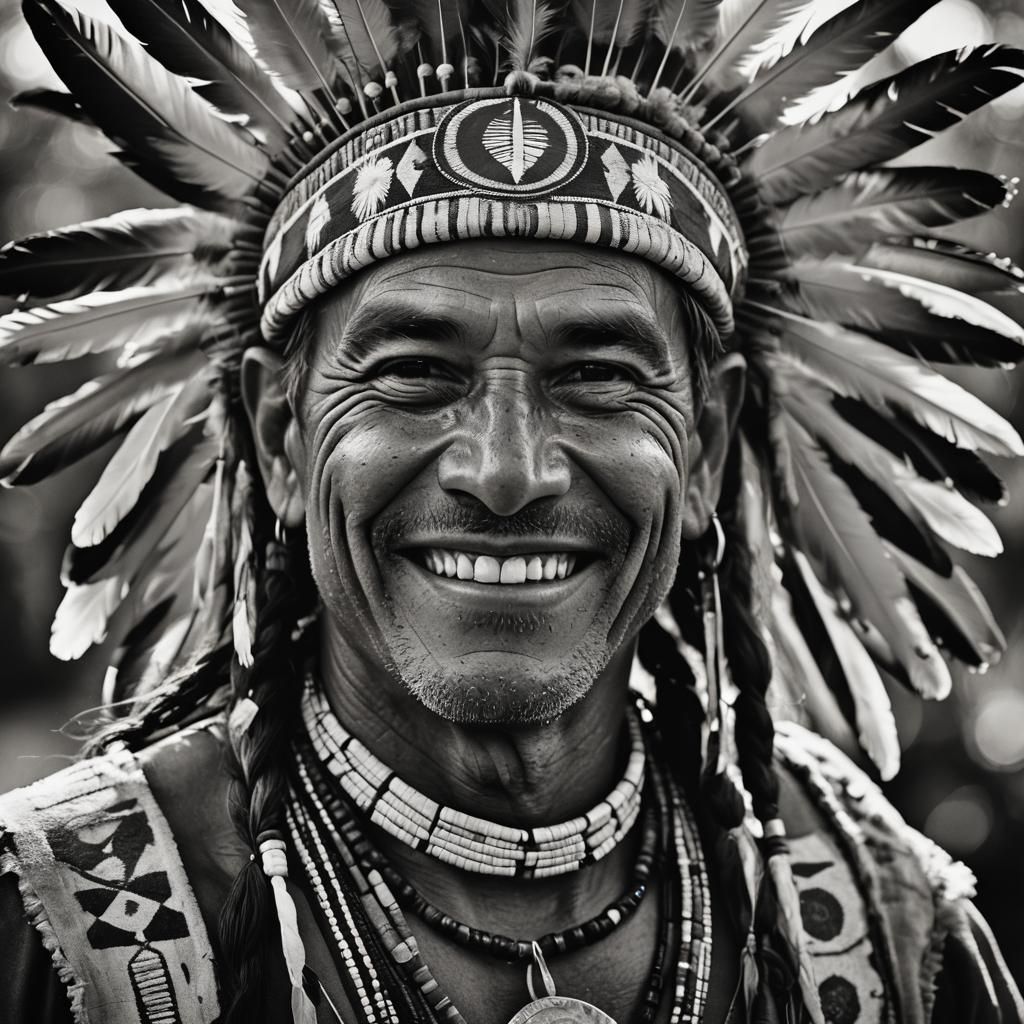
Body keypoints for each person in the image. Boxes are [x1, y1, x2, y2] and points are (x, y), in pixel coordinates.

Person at [1, 0, 1023, 1021]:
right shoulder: (60, 928)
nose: (504, 471)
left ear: (705, 443)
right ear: (281, 436)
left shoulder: (881, 927)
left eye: (595, 375)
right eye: (412, 374)